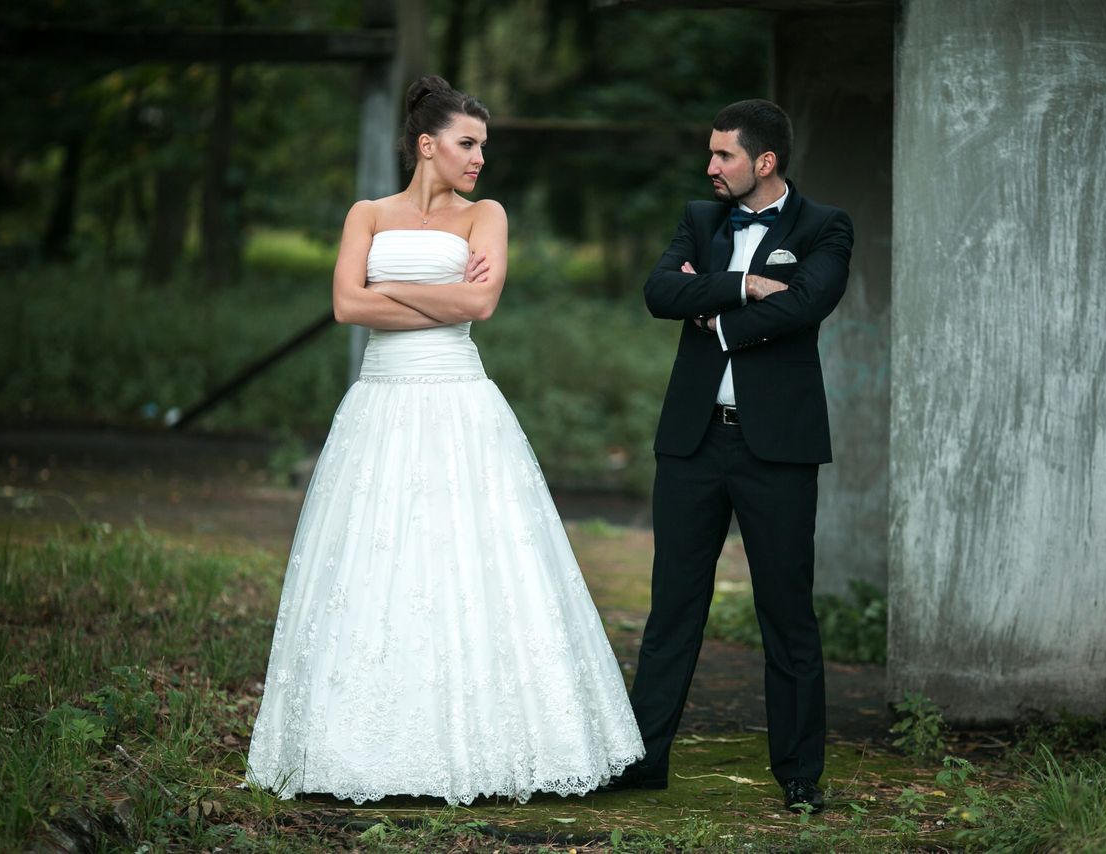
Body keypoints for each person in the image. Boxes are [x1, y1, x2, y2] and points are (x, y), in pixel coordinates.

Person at [246, 76, 643, 805]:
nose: (479, 158)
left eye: (483, 146)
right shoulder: (365, 214)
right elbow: (343, 305)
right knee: (378, 561)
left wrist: (389, 289)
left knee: (472, 556)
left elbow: (479, 304)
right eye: (468, 144)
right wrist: (430, 296)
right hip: (381, 405)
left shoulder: (485, 215)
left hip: (461, 400)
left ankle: (496, 743)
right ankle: (365, 743)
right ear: (427, 145)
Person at [612, 99, 852, 814]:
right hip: (692, 442)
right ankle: (644, 758)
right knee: (672, 608)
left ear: (765, 162)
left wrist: (712, 316)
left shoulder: (824, 226)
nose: (710, 167)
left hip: (776, 449)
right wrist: (742, 286)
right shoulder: (702, 218)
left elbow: (808, 304)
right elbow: (660, 291)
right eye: (711, 154)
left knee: (787, 612)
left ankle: (800, 774)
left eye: (724, 156)